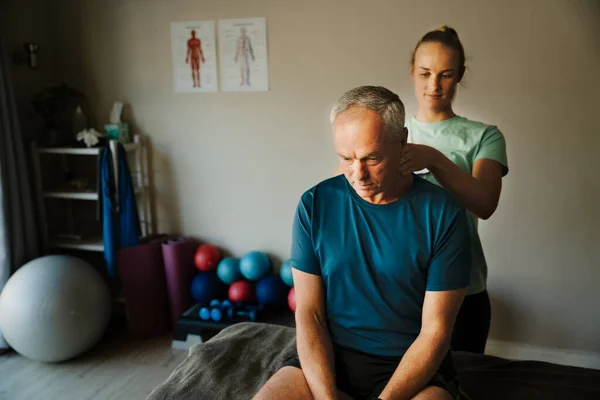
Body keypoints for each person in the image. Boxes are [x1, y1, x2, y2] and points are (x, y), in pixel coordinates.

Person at [253, 86, 472, 400]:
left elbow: (435, 332)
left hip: (412, 364)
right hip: (330, 356)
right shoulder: (315, 205)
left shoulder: (442, 213)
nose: (358, 174)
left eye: (372, 158)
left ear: (402, 142)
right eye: (346, 158)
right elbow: (309, 314)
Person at [401, 26, 509, 354]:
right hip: (400, 289)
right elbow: (345, 185)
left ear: (459, 76)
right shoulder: (389, 131)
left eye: (446, 75)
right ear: (412, 72)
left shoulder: (484, 137)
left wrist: (433, 159)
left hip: (465, 290)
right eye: (425, 73)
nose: (434, 85)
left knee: (462, 381)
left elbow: (485, 203)